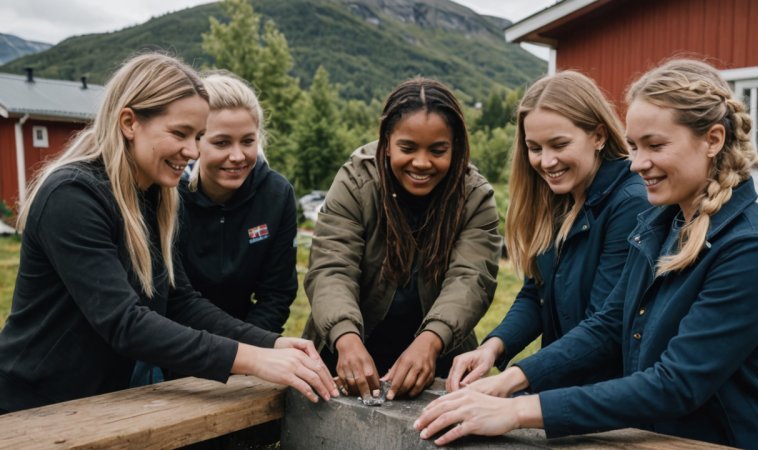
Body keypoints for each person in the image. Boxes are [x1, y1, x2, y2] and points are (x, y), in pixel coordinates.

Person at [415, 59, 758, 449]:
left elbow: (675, 383)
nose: (637, 164)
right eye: (634, 146)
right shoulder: (660, 224)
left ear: (713, 140)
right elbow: (609, 324)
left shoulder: (751, 249)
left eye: (655, 145)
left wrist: (518, 410)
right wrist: (510, 378)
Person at [0, 53, 337, 414]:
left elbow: (179, 300)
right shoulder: (72, 196)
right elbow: (125, 323)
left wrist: (271, 344)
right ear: (129, 122)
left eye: (199, 136)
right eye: (180, 134)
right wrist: (253, 359)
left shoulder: (153, 195)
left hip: (100, 402)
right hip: (31, 405)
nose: (192, 151)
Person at [446, 71, 648, 392]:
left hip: (605, 397)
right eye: (535, 148)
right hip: (562, 388)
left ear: (598, 136)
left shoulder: (630, 203)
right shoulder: (557, 198)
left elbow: (604, 326)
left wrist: (514, 379)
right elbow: (535, 295)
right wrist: (493, 347)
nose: (547, 161)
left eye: (559, 144)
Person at [303, 77, 502, 401]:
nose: (421, 163)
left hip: (440, 356)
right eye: (407, 149)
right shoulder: (355, 182)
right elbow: (331, 267)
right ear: (387, 143)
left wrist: (431, 340)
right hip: (343, 354)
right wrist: (345, 337)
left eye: (438, 150)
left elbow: (471, 278)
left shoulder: (475, 196)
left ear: (455, 147)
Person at [178, 71, 296, 334]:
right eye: (221, 143)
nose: (237, 156)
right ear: (196, 142)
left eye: (247, 141)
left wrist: (248, 349)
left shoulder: (277, 195)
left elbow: (276, 293)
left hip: (249, 338)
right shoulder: (169, 194)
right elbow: (172, 295)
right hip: (176, 338)